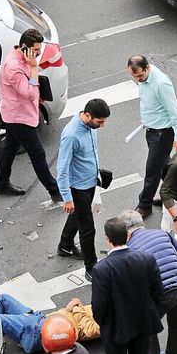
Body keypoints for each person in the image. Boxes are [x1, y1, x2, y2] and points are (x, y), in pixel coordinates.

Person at [91, 217, 164, 354]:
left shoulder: (101, 269)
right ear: (127, 236)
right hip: (142, 323)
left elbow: (99, 306)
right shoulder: (146, 259)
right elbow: (158, 292)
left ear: (108, 239)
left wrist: (104, 324)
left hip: (115, 328)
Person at [120, 210, 177, 354]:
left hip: (161, 293)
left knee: (147, 328)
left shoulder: (128, 249)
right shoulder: (163, 234)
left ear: (126, 232)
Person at [0, 28, 62, 202]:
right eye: (36, 51)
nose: (38, 54)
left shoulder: (22, 55)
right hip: (19, 118)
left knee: (10, 148)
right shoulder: (14, 68)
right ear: (25, 47)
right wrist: (33, 70)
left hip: (15, 112)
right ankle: (54, 191)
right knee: (38, 154)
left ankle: (1, 183)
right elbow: (30, 93)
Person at [57, 98, 111, 280]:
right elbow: (62, 168)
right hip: (78, 187)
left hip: (90, 182)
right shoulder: (71, 135)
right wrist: (67, 197)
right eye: (99, 122)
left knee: (79, 214)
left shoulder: (90, 127)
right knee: (87, 229)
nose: (102, 126)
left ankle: (65, 244)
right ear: (87, 115)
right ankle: (91, 267)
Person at [127, 55, 177, 218]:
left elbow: (175, 112)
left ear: (147, 68)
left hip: (162, 134)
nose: (137, 79)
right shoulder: (143, 79)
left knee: (152, 170)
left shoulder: (161, 83)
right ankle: (173, 193)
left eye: (139, 76)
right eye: (134, 76)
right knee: (163, 166)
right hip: (151, 130)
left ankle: (144, 205)